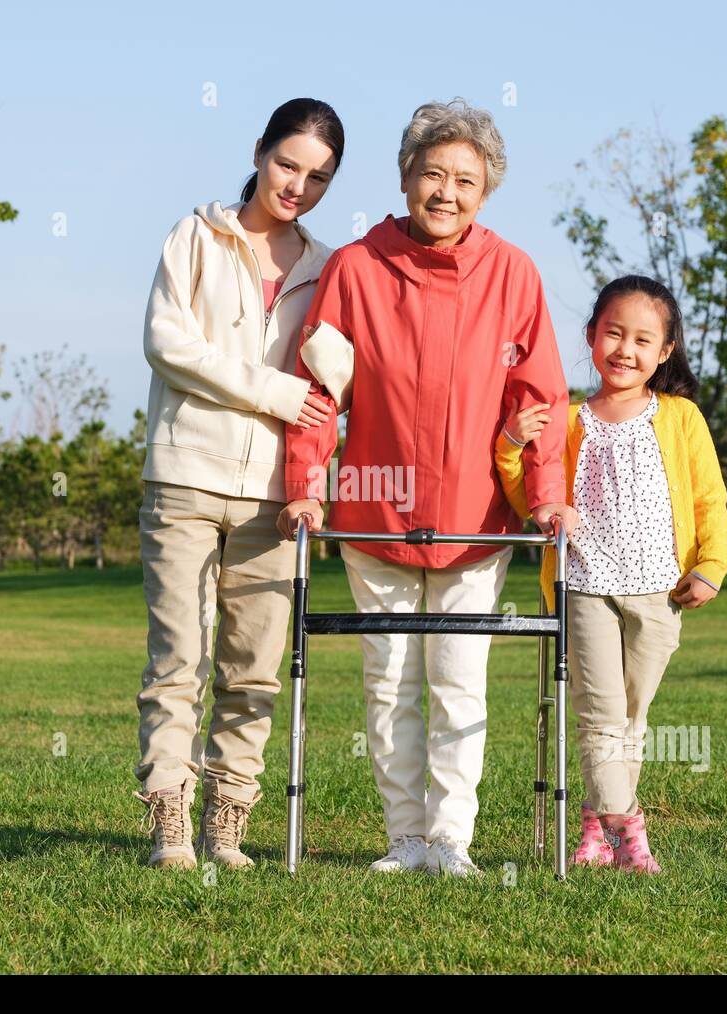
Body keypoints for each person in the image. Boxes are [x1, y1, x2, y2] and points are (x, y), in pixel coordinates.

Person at [279, 98, 571, 878]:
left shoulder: (515, 274)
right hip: (377, 515)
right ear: (405, 175)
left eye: (465, 180)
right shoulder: (355, 268)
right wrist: (306, 483)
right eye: (432, 173)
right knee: (388, 682)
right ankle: (405, 837)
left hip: (477, 522)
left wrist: (545, 495)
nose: (446, 192)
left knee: (458, 684)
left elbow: (537, 402)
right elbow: (318, 392)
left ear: (487, 192)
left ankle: (451, 841)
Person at [134, 98, 344, 870]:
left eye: (317, 176)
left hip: (273, 496)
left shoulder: (328, 267)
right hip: (183, 477)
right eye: (288, 164)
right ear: (259, 152)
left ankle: (228, 822)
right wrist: (272, 391)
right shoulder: (197, 234)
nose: (297, 185)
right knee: (176, 661)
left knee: (253, 666)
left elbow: (335, 380)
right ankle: (170, 826)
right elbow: (167, 344)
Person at [496, 274, 727, 874]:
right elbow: (530, 496)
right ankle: (632, 838)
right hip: (586, 586)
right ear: (591, 337)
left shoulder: (682, 418)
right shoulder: (569, 419)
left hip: (660, 591)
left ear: (665, 352)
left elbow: (710, 499)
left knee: (631, 719)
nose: (625, 350)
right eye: (613, 334)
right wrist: (507, 442)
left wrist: (711, 565)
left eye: (642, 340)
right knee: (599, 715)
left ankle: (594, 832)